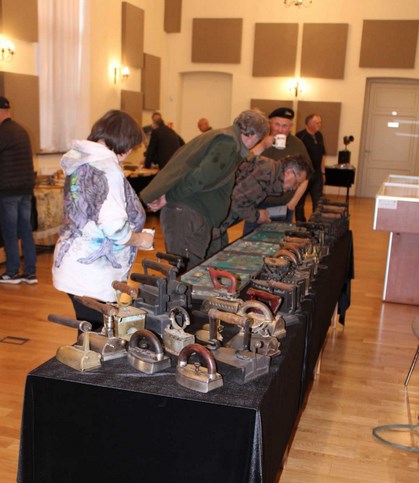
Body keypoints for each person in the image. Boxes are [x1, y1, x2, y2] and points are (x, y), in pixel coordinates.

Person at [52, 109, 154, 328]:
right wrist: (141, 240)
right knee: (97, 335)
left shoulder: (84, 162)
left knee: (89, 332)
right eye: (131, 145)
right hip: (92, 274)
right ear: (123, 142)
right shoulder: (107, 168)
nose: (130, 151)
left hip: (75, 265)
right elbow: (114, 229)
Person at [141, 109, 269, 269]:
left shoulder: (225, 138)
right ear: (253, 135)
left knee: (190, 270)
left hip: (191, 215)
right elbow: (199, 178)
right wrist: (168, 197)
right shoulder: (228, 143)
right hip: (187, 214)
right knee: (186, 272)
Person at [252, 107, 313, 223]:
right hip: (257, 205)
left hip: (284, 206)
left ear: (291, 127)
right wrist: (263, 145)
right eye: (277, 124)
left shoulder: (297, 144)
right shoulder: (259, 140)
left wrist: (293, 203)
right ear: (270, 123)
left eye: (285, 126)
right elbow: (245, 161)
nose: (280, 129)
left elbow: (305, 178)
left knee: (280, 234)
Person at [0, 96, 37, 285]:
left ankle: (12, 272)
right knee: (25, 231)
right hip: (25, 190)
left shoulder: (2, 132)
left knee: (10, 232)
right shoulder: (21, 131)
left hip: (8, 192)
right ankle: (30, 273)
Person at [227, 154, 313, 229]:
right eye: (297, 182)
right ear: (289, 172)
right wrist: (257, 216)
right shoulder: (267, 172)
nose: (294, 188)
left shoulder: (271, 173)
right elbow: (236, 201)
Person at [296, 113, 327, 217]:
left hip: (317, 175)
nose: (320, 125)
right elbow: (296, 157)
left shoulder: (319, 135)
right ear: (309, 123)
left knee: (318, 202)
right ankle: (301, 223)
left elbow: (323, 155)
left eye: (320, 123)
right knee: (300, 203)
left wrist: (323, 173)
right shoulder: (300, 136)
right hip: (304, 175)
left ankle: (316, 222)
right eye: (317, 123)